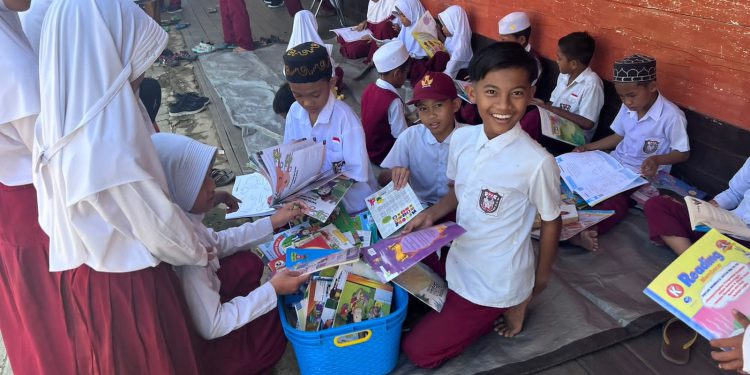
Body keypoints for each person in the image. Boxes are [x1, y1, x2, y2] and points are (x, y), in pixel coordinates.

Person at [34, 0, 213, 372]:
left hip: (88, 279)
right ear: (104, 50)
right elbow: (162, 228)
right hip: (128, 289)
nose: (141, 74)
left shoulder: (57, 125)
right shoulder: (107, 144)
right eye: (134, 58)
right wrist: (202, 251)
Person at [400, 42, 562, 368]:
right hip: (458, 253)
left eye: (516, 93)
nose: (503, 104)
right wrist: (430, 215)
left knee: (418, 352)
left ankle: (512, 305)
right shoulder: (462, 139)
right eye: (491, 91)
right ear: (472, 93)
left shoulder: (537, 162)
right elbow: (460, 191)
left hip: (494, 281)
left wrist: (539, 282)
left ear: (530, 94)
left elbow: (552, 221)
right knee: (391, 259)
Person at [151, 133, 310, 374]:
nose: (213, 186)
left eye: (211, 176)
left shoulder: (179, 218)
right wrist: (272, 290)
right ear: (177, 187)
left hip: (205, 301)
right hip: (208, 344)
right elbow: (212, 326)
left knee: (247, 263)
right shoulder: (188, 257)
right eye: (202, 181)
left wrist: (274, 221)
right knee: (274, 324)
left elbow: (220, 242)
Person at [0, 1, 77, 374]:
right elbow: (55, 156)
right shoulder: (11, 66)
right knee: (57, 321)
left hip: (14, 198)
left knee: (31, 318)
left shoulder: (9, 24)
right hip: (32, 206)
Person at [570, 54, 690, 251]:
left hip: (640, 175)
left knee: (616, 201)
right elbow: (618, 137)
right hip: (614, 163)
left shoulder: (671, 116)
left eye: (631, 95)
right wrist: (587, 148)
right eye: (621, 97)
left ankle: (586, 230)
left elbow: (683, 153)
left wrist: (657, 159)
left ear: (652, 87)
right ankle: (561, 217)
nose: (626, 102)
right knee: (575, 177)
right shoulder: (628, 108)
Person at [283, 41, 376, 213]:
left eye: (315, 94)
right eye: (298, 95)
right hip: (309, 199)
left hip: (353, 204)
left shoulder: (345, 119)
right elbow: (290, 155)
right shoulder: (294, 113)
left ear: (332, 83)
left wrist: (320, 190)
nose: (307, 102)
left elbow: (356, 173)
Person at [379, 71, 463, 208]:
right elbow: (381, 179)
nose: (431, 115)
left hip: (458, 209)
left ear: (455, 105)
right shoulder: (410, 136)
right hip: (419, 208)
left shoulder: (470, 138)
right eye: (423, 108)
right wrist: (394, 172)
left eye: (438, 105)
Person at [645, 157, 750, 255]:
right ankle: (693, 259)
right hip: (730, 225)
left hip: (745, 242)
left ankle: (700, 259)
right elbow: (734, 193)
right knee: (657, 204)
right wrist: (704, 208)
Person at [532, 32, 604, 143]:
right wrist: (542, 105)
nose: (556, 61)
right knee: (530, 109)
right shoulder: (564, 75)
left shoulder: (592, 83)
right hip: (555, 122)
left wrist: (551, 109)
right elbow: (552, 103)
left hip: (576, 137)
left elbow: (588, 123)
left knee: (535, 120)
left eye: (560, 58)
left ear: (573, 64)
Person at [361, 40, 410, 167]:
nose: (405, 78)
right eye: (405, 74)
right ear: (397, 73)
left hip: (368, 149)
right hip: (384, 155)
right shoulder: (393, 100)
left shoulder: (369, 88)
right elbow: (401, 135)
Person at [392, 0, 448, 85]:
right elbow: (399, 41)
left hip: (420, 60)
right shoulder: (405, 28)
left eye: (403, 15)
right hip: (408, 58)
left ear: (412, 12)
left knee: (418, 68)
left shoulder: (426, 26)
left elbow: (431, 52)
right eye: (399, 16)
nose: (401, 19)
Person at [287, 10, 345, 94]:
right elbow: (329, 68)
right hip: (319, 85)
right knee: (338, 71)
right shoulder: (318, 45)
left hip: (297, 82)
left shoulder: (292, 44)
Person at [498, 11, 542, 85]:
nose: (500, 43)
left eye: (504, 40)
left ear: (521, 40)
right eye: (500, 39)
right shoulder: (505, 52)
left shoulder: (533, 62)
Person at [437, 5, 472, 79]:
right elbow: (447, 47)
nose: (442, 28)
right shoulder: (453, 38)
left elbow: (448, 73)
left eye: (445, 25)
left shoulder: (460, 50)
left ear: (454, 24)